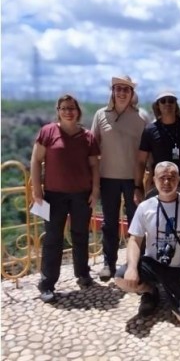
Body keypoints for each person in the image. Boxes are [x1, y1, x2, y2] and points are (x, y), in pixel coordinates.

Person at [115, 161, 180, 322]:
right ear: (154, 179)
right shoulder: (145, 207)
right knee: (121, 279)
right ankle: (150, 291)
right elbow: (135, 239)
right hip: (153, 264)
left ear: (179, 180)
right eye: (162, 178)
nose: (167, 182)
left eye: (171, 178)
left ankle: (175, 292)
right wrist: (132, 267)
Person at [31, 94, 100, 303]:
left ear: (78, 111)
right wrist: (37, 192)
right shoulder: (47, 132)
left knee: (80, 235)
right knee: (53, 239)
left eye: (72, 108)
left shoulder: (88, 136)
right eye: (64, 108)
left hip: (81, 194)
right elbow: (35, 161)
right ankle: (47, 283)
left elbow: (94, 166)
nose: (68, 111)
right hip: (53, 195)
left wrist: (95, 191)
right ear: (58, 111)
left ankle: (83, 274)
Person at [91, 75, 146, 281]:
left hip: (134, 180)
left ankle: (136, 264)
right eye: (118, 88)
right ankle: (109, 263)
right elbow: (93, 147)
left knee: (136, 224)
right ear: (112, 91)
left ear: (132, 93)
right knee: (109, 223)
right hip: (108, 178)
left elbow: (146, 151)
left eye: (126, 89)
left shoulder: (141, 117)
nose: (122, 92)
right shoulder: (100, 115)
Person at [134, 91, 180, 202]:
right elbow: (141, 161)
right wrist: (138, 187)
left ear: (176, 104)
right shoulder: (150, 130)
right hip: (160, 185)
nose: (168, 104)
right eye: (163, 101)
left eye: (171, 100)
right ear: (157, 105)